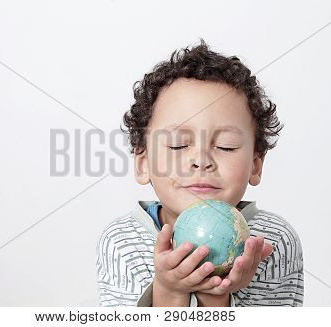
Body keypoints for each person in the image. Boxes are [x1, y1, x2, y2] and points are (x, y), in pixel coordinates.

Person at [95, 39, 304, 307]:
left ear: (256, 163)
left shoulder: (272, 241)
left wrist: (215, 293)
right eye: (178, 144)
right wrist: (168, 291)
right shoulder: (123, 243)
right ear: (143, 163)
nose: (201, 161)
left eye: (226, 146)